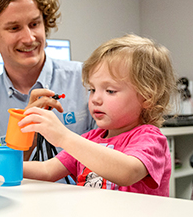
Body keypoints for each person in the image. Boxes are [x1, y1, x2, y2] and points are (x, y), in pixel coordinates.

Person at [0, 0, 96, 165]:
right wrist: (21, 140)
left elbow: (119, 154)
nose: (29, 38)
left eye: (34, 24)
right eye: (14, 28)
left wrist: (64, 137)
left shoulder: (87, 82)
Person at [20, 34, 177, 196]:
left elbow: (128, 172)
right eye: (92, 90)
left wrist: (64, 137)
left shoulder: (149, 138)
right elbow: (47, 170)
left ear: (147, 97)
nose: (95, 99)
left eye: (110, 91)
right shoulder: (89, 139)